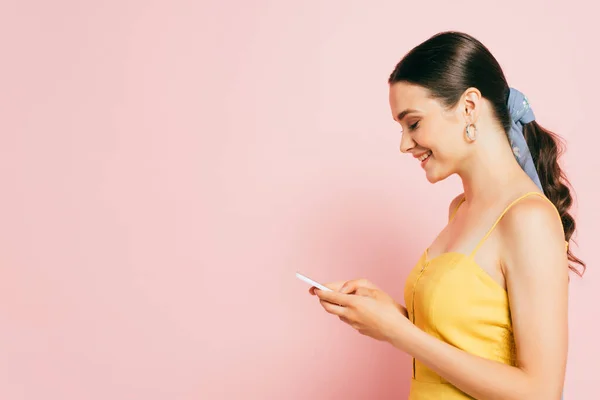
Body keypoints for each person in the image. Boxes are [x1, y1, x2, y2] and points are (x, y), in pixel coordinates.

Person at [309, 31, 585, 399]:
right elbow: (471, 342)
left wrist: (399, 331)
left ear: (470, 106)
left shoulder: (528, 218)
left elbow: (540, 392)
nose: (404, 144)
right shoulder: (460, 208)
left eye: (414, 123)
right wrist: (387, 315)